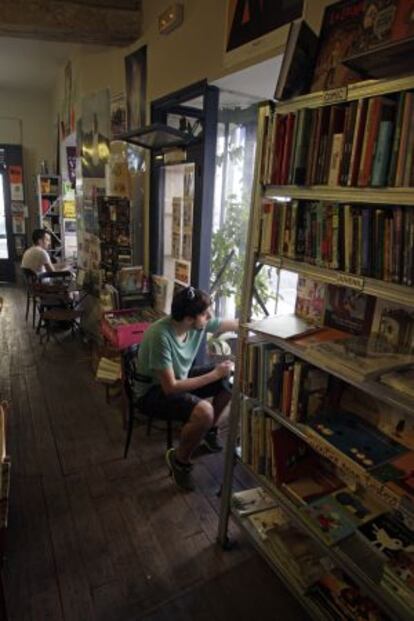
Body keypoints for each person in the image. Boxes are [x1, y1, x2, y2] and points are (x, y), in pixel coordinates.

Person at [135, 286, 238, 492]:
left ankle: (207, 431)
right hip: (152, 392)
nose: (210, 316)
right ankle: (179, 461)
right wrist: (213, 375)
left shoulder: (195, 324)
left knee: (230, 380)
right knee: (204, 411)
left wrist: (255, 326)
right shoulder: (159, 335)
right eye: (205, 313)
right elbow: (171, 388)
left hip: (177, 379)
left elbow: (233, 324)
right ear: (190, 319)